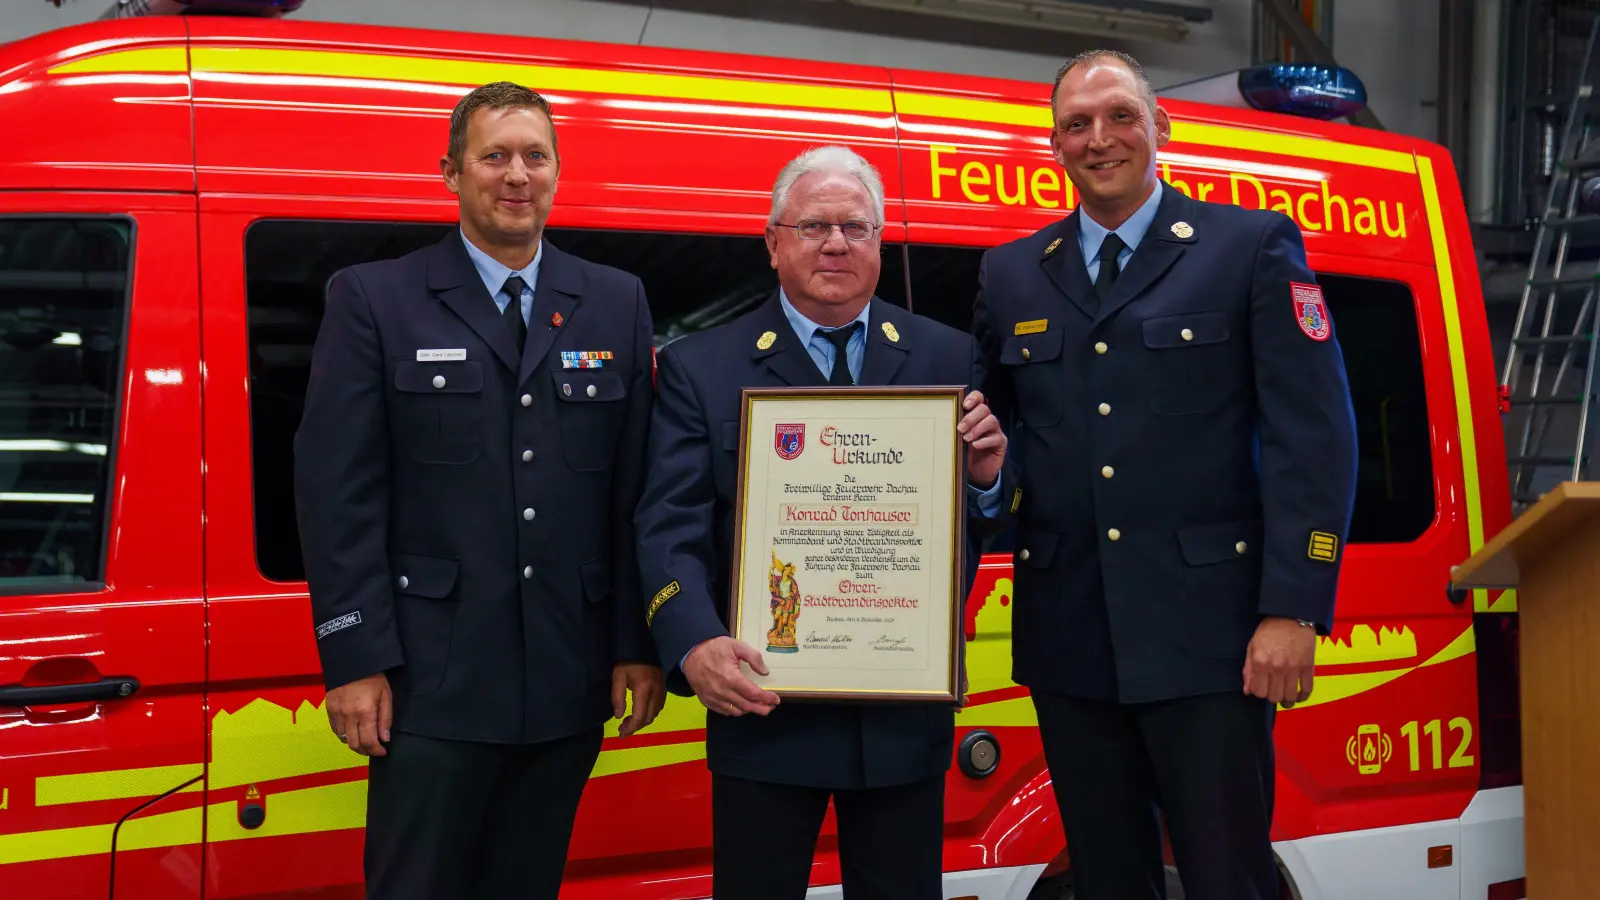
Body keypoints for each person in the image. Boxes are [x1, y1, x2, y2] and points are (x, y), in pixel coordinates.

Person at [970, 51, 1359, 900]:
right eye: (1077, 124)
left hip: (1211, 644)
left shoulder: (1248, 247)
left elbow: (1315, 437)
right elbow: (997, 441)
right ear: (1056, 145)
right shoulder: (1009, 273)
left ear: (1161, 129)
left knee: (1229, 879)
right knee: (1107, 882)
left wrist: (1293, 607)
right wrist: (991, 481)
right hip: (1071, 640)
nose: (1099, 139)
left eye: (1119, 117)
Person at [293, 81, 665, 900]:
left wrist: (637, 643)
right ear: (451, 173)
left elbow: (637, 489)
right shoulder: (376, 299)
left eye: (535, 156)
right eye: (493, 156)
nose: (515, 175)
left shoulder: (615, 301)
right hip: (428, 687)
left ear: (558, 171)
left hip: (566, 684)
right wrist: (355, 657)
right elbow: (337, 491)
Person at [635, 145, 1015, 900]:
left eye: (856, 227)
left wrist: (987, 481)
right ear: (774, 243)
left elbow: (976, 528)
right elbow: (667, 525)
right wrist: (692, 642)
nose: (836, 243)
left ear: (878, 243)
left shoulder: (948, 355)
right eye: (813, 226)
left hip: (901, 718)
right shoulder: (701, 367)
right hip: (765, 708)